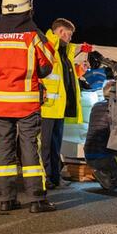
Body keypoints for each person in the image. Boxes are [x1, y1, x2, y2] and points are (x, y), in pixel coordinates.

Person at [0, 0, 57, 213]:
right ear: (29, 7)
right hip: (25, 104)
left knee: (4, 149)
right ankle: (37, 200)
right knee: (29, 148)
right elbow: (46, 65)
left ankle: (6, 199)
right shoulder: (33, 35)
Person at [40, 18, 83, 190]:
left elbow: (62, 77)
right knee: (46, 146)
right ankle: (46, 179)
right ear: (61, 32)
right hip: (47, 106)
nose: (70, 38)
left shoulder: (64, 52)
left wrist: (79, 72)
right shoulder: (47, 47)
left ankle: (55, 177)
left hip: (58, 106)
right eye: (70, 35)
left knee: (55, 145)